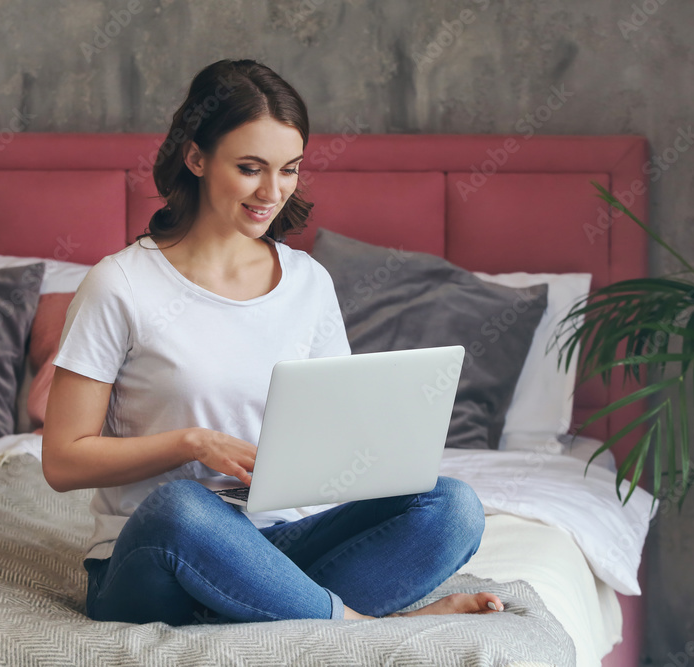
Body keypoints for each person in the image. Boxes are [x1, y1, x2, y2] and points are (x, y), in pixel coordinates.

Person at [41, 58, 502, 625]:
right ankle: (359, 628)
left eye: (289, 169)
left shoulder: (308, 281)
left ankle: (279, 613)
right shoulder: (121, 283)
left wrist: (372, 451)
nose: (273, 191)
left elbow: (339, 427)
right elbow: (62, 461)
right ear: (196, 158)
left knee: (452, 506)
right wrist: (192, 444)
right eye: (251, 168)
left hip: (281, 548)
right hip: (159, 557)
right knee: (183, 507)